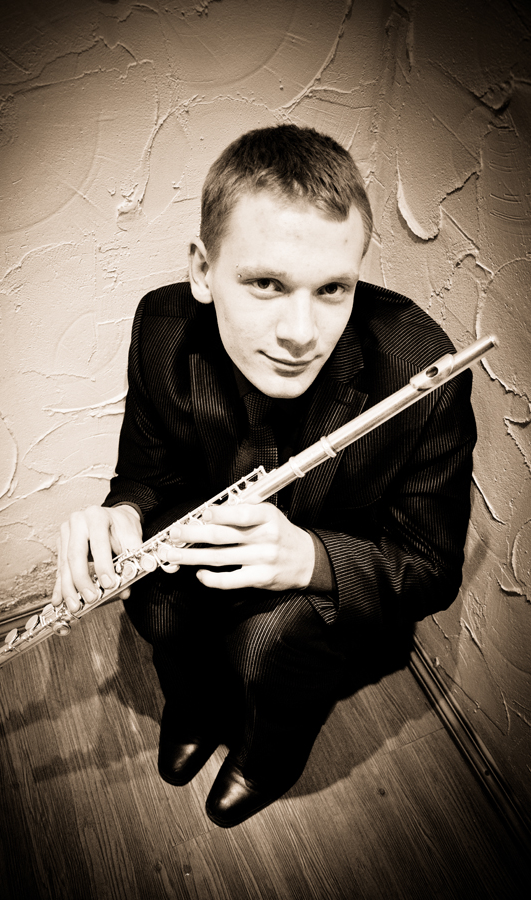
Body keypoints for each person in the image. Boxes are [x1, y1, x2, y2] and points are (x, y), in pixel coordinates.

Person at [53, 124, 476, 828]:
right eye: (266, 284)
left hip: (327, 590)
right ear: (202, 270)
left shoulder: (418, 368)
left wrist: (309, 558)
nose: (301, 333)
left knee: (271, 644)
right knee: (154, 597)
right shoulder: (162, 327)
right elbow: (146, 475)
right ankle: (194, 703)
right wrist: (121, 513)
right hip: (216, 542)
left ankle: (273, 749)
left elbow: (430, 569)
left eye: (332, 288)